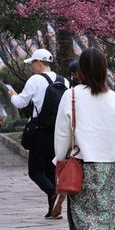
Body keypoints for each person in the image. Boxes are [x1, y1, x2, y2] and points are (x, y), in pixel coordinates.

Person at [54, 48, 115, 230]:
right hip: (106, 164)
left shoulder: (72, 95)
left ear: (81, 71)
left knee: (83, 215)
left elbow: (62, 132)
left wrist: (59, 159)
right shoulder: (112, 96)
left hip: (81, 163)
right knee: (100, 214)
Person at [9, 48, 69, 219]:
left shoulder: (35, 79)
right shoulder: (64, 81)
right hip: (59, 132)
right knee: (51, 170)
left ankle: (52, 192)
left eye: (32, 63)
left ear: (38, 63)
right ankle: (53, 210)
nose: (31, 67)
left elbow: (21, 103)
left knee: (35, 170)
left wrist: (12, 95)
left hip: (40, 130)